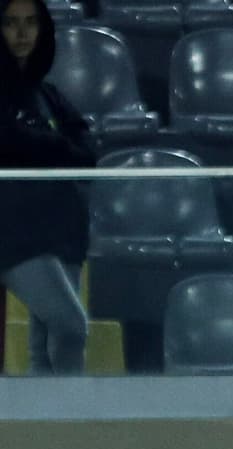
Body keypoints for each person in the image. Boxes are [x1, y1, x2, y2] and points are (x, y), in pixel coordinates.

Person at [0, 0, 94, 374]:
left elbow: (88, 152)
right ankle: (73, 420)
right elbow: (11, 141)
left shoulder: (48, 94)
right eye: (10, 23)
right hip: (16, 236)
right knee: (71, 327)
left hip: (64, 231)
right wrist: (57, 146)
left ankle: (49, 429)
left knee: (45, 349)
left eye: (30, 23)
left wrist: (46, 145)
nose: (22, 34)